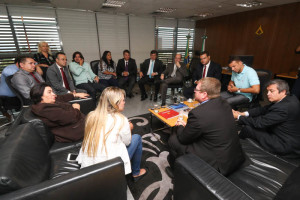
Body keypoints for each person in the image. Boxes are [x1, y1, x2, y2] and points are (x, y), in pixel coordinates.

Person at [168, 77, 245, 176]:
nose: (194, 91)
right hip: (232, 155)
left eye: (196, 90)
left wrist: (181, 125)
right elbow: (210, 123)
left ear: (204, 94)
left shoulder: (197, 113)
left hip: (217, 164)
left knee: (174, 139)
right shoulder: (224, 102)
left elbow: (183, 139)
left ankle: (177, 173)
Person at [76, 87, 147, 182]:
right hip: (110, 167)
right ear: (115, 102)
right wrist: (129, 129)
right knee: (137, 138)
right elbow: (127, 142)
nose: (124, 102)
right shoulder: (121, 120)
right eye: (123, 100)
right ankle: (136, 173)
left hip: (90, 165)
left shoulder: (91, 115)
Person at [232, 79, 300, 156]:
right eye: (267, 91)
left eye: (271, 91)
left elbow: (259, 123)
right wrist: (243, 113)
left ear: (283, 92)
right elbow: (263, 109)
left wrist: (238, 117)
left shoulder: (283, 108)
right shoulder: (289, 98)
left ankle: (233, 143)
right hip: (290, 138)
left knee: (249, 128)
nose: (268, 94)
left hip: (284, 144)